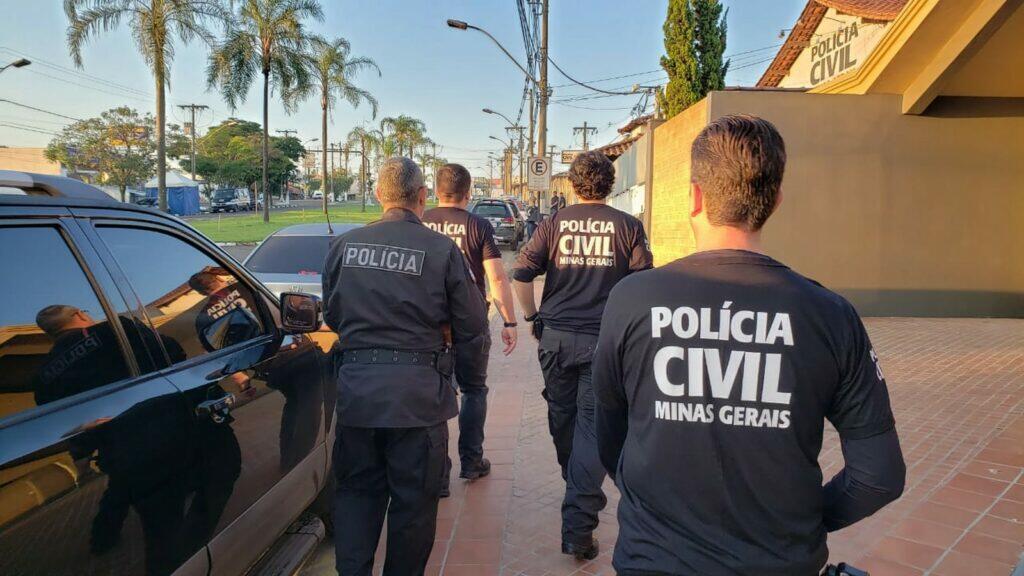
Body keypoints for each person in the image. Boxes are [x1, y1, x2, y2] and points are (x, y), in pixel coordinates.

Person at [592, 115, 906, 575]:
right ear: (775, 201)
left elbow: (609, 438)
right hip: (780, 561)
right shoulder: (830, 315)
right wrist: (802, 522)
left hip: (653, 557)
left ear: (696, 197)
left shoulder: (631, 299)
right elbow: (879, 476)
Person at [322, 157, 488, 576]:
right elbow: (471, 325)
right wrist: (469, 383)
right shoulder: (440, 250)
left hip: (358, 396)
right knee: (414, 507)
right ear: (421, 197)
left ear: (379, 195)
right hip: (418, 400)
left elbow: (333, 315)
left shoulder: (344, 246)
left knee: (357, 495)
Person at [512, 151, 653, 560]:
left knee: (565, 421)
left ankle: (578, 519)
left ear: (573, 184)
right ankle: (580, 492)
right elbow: (643, 285)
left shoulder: (555, 223)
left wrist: (531, 317)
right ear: (610, 185)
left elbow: (521, 273)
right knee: (589, 429)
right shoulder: (627, 226)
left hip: (554, 339)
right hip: (603, 342)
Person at [422, 163, 517, 494]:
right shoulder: (477, 225)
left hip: (429, 323)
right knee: (474, 390)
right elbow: (497, 276)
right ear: (468, 192)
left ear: (436, 191)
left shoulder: (422, 223)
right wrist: (509, 320)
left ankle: (437, 475)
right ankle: (472, 462)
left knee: (436, 395)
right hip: (471, 321)